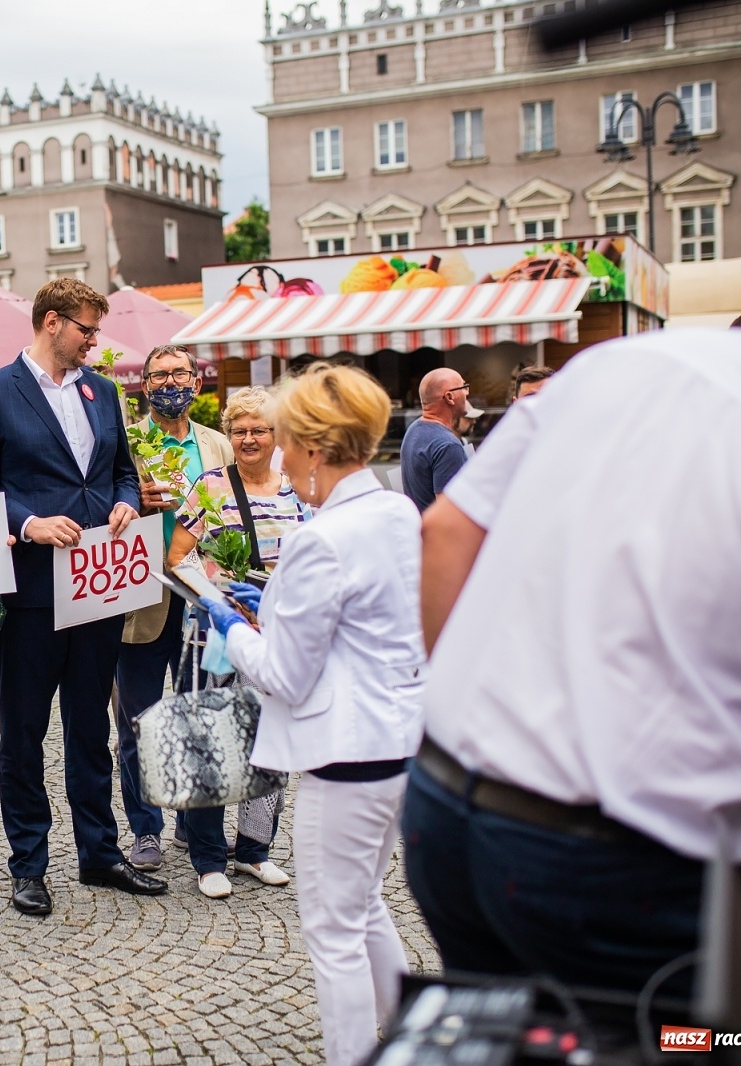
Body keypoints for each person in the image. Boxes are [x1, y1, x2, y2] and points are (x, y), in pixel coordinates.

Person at [408, 329, 741, 1018]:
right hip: (612, 854)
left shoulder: (631, 361)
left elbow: (447, 532)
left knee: (516, 1037)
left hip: (444, 798)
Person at [206, 364, 424, 1066]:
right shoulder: (395, 510)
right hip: (402, 740)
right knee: (364, 906)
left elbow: (284, 676)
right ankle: (412, 1031)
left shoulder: (317, 538)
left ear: (315, 448)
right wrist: (270, 599)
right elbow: (360, 618)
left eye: (289, 440)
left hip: (347, 754)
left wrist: (230, 624)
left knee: (332, 929)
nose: (280, 451)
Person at [0, 277, 163, 916]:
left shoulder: (102, 391)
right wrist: (28, 524)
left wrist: (127, 503)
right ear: (51, 323)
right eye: (86, 329)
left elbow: (122, 473)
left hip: (99, 584)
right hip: (30, 592)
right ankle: (29, 863)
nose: (93, 341)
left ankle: (99, 854)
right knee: (24, 731)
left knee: (89, 727)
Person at [166, 385, 310, 898]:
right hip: (215, 638)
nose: (248, 438)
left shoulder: (296, 490)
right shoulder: (211, 486)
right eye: (239, 430)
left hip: (276, 636)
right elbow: (177, 556)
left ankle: (254, 850)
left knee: (269, 745)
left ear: (276, 436)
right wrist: (218, 598)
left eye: (259, 430)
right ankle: (208, 859)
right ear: (229, 435)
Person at [114, 343, 232, 874]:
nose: (169, 383)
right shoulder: (126, 443)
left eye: (178, 373)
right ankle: (145, 830)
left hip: (201, 602)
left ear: (196, 382)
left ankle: (193, 820)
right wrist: (134, 501)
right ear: (144, 385)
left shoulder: (218, 445)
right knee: (139, 721)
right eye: (158, 375)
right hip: (141, 598)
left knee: (198, 716)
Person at [400, 367, 471, 512]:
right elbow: (450, 515)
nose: (467, 392)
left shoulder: (413, 429)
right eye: (464, 388)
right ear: (449, 397)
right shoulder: (448, 446)